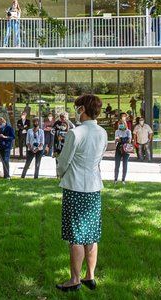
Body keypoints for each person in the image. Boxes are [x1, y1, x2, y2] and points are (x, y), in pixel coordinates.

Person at [56, 94, 107, 292]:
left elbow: (64, 160)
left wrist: (60, 173)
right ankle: (90, 276)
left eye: (77, 107)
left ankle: (74, 279)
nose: (76, 111)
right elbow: (100, 158)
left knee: (76, 235)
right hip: (94, 187)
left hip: (76, 187)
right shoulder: (102, 133)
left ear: (83, 109)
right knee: (91, 235)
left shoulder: (75, 133)